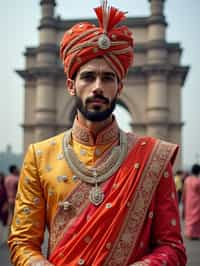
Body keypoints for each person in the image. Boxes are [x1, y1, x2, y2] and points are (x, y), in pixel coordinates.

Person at [8, 2, 186, 265]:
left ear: (119, 86)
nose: (98, 87)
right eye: (88, 77)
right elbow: (22, 243)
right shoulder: (39, 156)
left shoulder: (153, 159)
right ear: (71, 85)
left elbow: (172, 247)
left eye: (108, 78)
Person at [182, 164, 200, 240]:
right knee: (196, 218)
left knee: (189, 217)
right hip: (197, 202)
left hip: (188, 201)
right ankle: (195, 234)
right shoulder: (198, 181)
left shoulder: (187, 180)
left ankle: (189, 233)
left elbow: (184, 191)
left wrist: (183, 199)